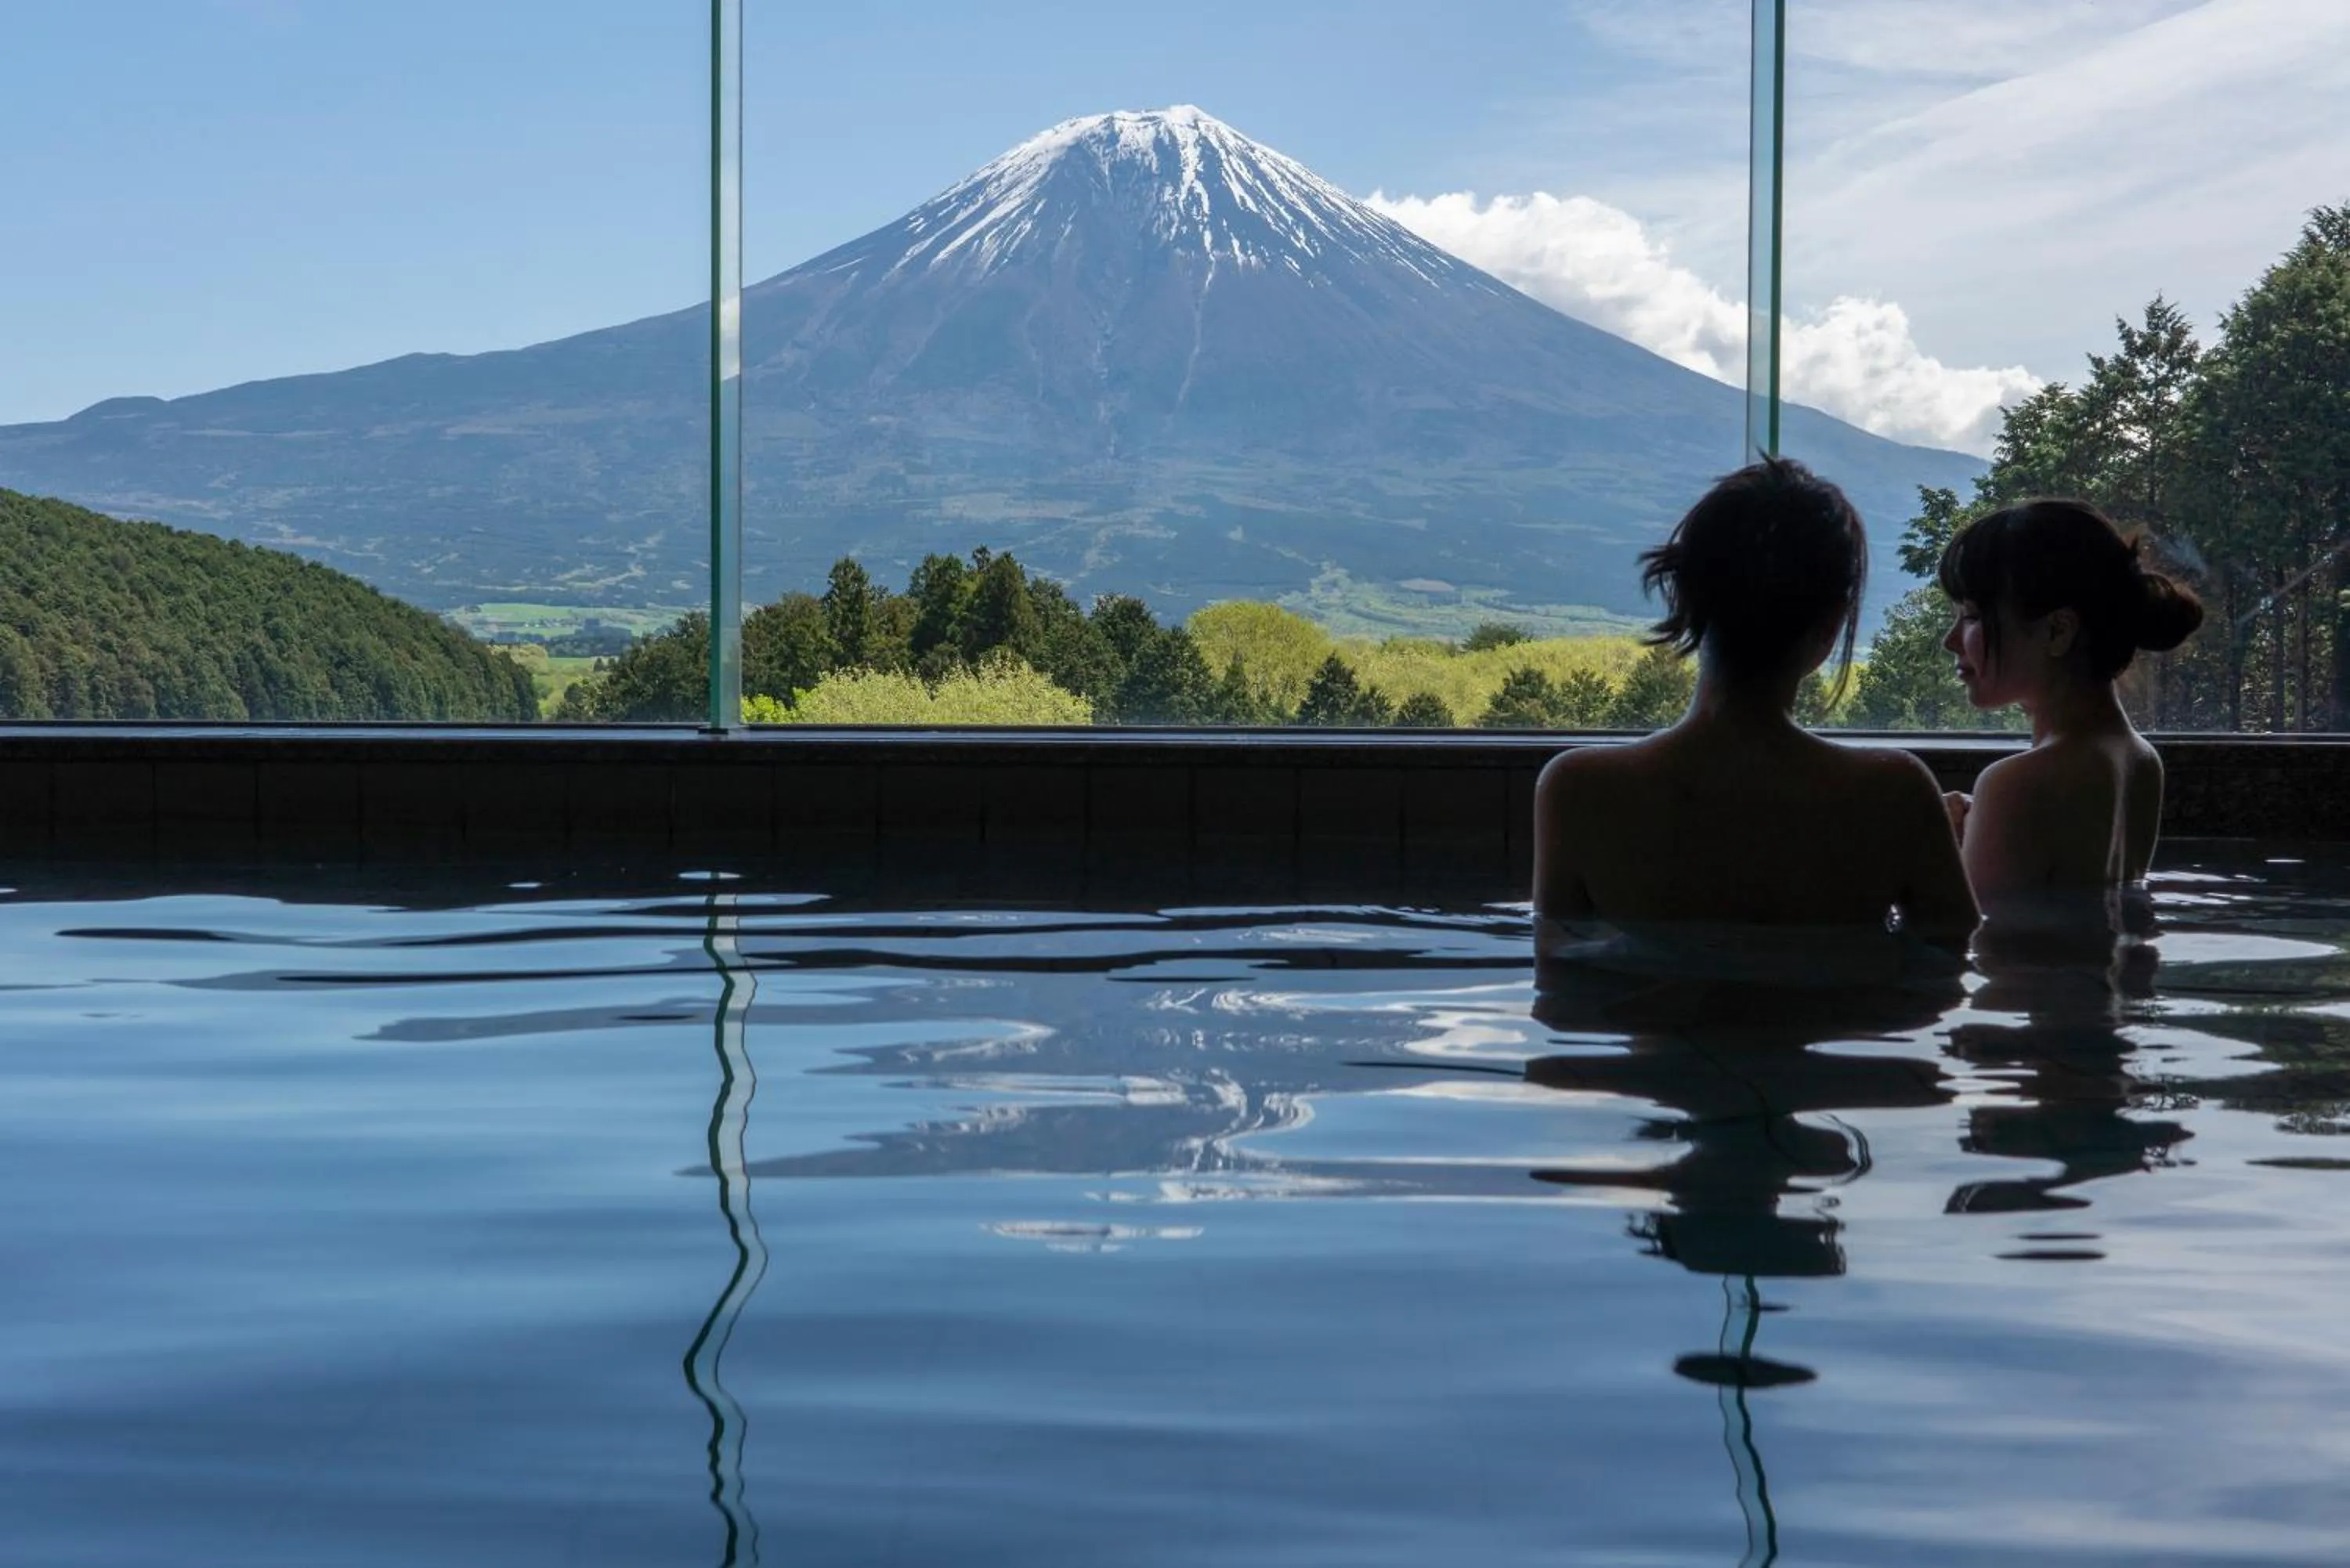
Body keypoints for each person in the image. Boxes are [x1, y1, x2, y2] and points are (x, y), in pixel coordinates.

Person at [1533, 457, 1976, 948]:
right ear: (1831, 625)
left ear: (1685, 597)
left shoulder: (1580, 790)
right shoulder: (1894, 794)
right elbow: (1944, 986)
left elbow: (1560, 1000)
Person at [1936, 500, 2204, 901]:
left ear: (2058, 631)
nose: (1950, 640)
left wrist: (1927, 852)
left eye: (1972, 617)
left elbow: (1971, 943)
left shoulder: (2016, 786)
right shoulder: (2140, 759)